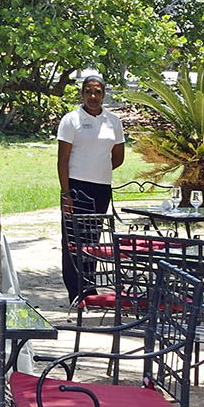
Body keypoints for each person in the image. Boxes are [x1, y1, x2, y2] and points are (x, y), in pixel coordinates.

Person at [55, 71, 126, 302]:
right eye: (88, 92)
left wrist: (98, 169)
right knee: (74, 240)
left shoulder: (113, 121)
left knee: (93, 240)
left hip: (101, 189)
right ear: (82, 94)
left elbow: (118, 157)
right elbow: (62, 160)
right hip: (75, 187)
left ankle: (89, 289)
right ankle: (75, 292)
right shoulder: (71, 120)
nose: (92, 96)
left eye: (97, 92)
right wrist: (66, 193)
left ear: (104, 94)